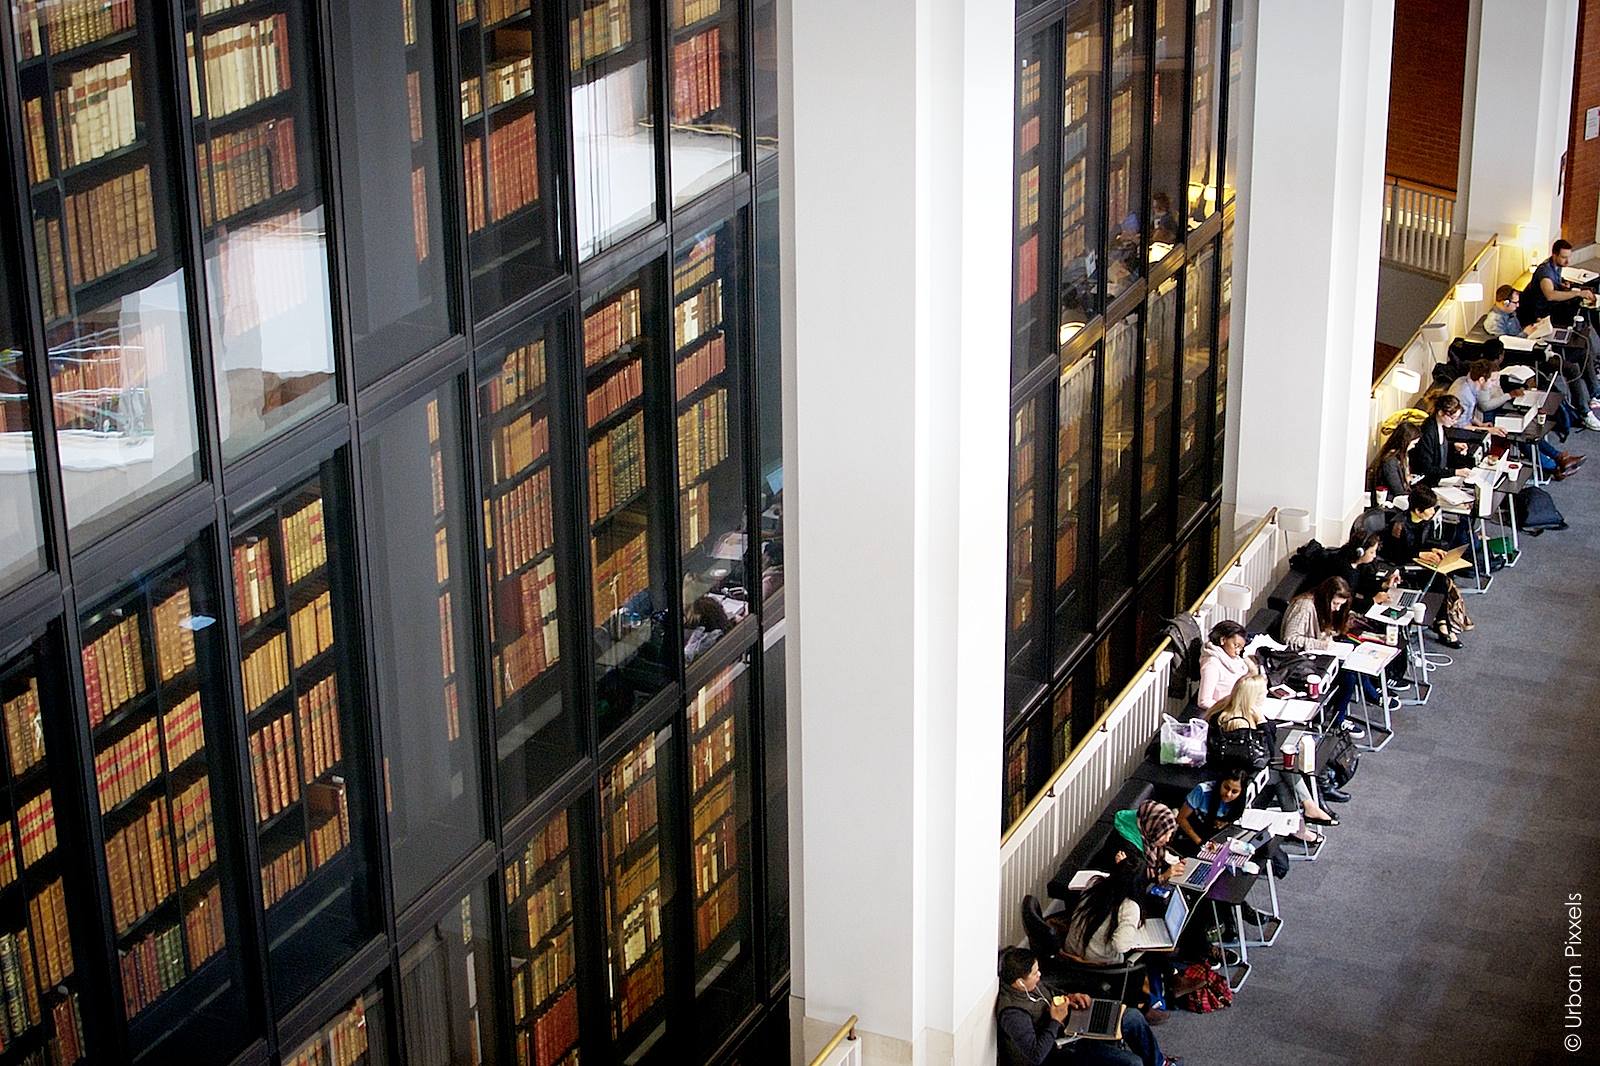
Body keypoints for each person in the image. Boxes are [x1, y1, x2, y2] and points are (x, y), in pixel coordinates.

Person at [995, 947, 1181, 1066]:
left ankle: (1158, 1063)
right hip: (1057, 1050)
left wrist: (1070, 997)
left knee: (1132, 1017)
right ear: (1019, 982)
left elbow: (1051, 993)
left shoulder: (1030, 986)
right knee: (1133, 1063)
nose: (1039, 975)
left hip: (1068, 1026)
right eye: (1035, 974)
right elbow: (1036, 1056)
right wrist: (1055, 1020)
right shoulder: (1013, 1013)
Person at [1206, 675, 1341, 827]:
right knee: (1283, 773)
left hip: (1234, 766)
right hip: (1238, 774)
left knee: (1284, 773)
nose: (1266, 694)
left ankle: (1302, 821)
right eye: (1263, 692)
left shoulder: (1224, 708)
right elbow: (1270, 750)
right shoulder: (1241, 724)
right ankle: (1303, 818)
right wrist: (1262, 721)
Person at [1059, 862, 1145, 965]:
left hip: (1069, 955)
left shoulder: (1094, 883)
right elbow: (1120, 946)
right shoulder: (1130, 907)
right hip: (1098, 965)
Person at [1519, 239, 1595, 329]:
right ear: (1554, 255)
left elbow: (1554, 281)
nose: (1568, 261)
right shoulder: (1545, 272)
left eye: (1569, 257)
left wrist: (1561, 283)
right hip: (1540, 311)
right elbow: (1550, 295)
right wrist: (1578, 293)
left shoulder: (1557, 265)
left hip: (1548, 305)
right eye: (1564, 257)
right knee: (1576, 308)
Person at [1409, 394, 1474, 486]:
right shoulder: (1428, 432)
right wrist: (1456, 472)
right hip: (1428, 483)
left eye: (1457, 419)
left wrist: (1453, 445)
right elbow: (1427, 468)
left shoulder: (1441, 425)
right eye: (1452, 418)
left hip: (1438, 477)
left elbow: (1438, 447)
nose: (1454, 421)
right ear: (1440, 412)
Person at [1176, 768, 1246, 853]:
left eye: (1234, 792)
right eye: (1226, 788)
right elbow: (1181, 818)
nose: (1228, 794)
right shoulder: (1202, 790)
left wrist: (1224, 823)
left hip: (1215, 837)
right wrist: (1201, 843)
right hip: (1192, 835)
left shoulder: (1239, 801)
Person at [1196, 620, 1252, 710]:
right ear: (1223, 640)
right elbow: (1204, 701)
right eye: (1236, 646)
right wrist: (1230, 709)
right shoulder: (1212, 664)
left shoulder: (1235, 659)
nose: (1238, 652)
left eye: (1241, 648)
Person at [1370, 421, 1422, 499]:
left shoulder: (1400, 457)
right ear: (1406, 442)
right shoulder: (1390, 461)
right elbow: (1398, 491)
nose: (1413, 447)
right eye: (1413, 444)